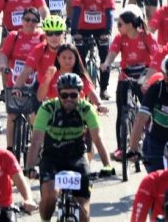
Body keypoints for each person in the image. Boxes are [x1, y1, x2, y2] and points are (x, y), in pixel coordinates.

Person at [24, 73, 114, 222]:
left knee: (84, 215)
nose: (69, 99)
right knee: (50, 195)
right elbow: (36, 141)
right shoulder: (48, 109)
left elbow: (98, 138)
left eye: (73, 95)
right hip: (52, 157)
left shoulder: (86, 109)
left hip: (77, 157)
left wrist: (107, 165)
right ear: (58, 94)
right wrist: (30, 166)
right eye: (64, 95)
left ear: (81, 94)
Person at [102, 8, 160, 159]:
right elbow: (112, 53)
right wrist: (106, 63)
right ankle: (121, 147)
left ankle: (152, 138)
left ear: (129, 25)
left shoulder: (146, 36)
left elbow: (157, 56)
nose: (118, 27)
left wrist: (149, 76)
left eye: (120, 24)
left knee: (149, 109)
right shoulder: (120, 38)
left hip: (144, 74)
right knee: (122, 111)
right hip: (126, 74)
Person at [0, 6, 43, 146]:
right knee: (12, 115)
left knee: (35, 116)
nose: (30, 23)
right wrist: (3, 65)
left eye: (34, 20)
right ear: (22, 20)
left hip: (35, 82)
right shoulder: (14, 36)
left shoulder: (42, 37)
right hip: (15, 82)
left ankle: (37, 146)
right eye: (27, 19)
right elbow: (3, 54)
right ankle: (10, 148)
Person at [71, 0, 115, 99]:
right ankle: (81, 87)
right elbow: (76, 11)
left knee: (105, 57)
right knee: (79, 58)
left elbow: (109, 13)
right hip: (83, 27)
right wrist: (74, 31)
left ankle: (103, 89)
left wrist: (107, 32)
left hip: (101, 28)